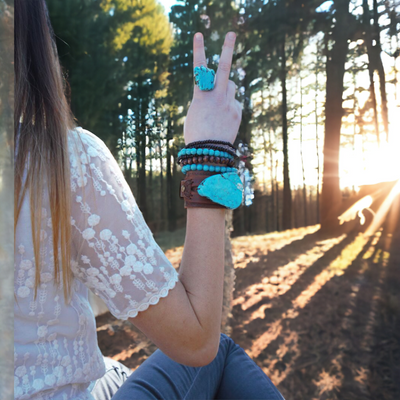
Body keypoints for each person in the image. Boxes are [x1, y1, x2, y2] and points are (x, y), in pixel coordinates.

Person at [14, 0, 285, 399]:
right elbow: (195, 340)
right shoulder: (61, 162)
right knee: (218, 351)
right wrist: (209, 152)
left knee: (113, 371)